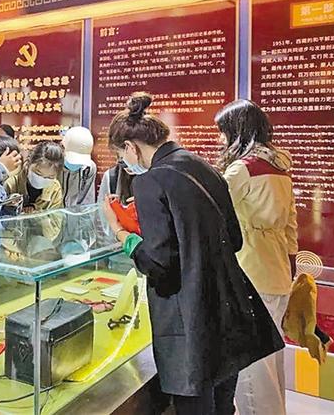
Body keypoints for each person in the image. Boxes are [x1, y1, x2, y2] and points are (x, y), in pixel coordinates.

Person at [102, 92, 283, 415]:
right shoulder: (205, 167)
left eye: (121, 156)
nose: (126, 165)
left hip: (188, 321)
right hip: (226, 314)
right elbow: (234, 239)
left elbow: (159, 264)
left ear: (130, 147)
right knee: (223, 406)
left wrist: (122, 233)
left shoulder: (150, 182)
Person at [215, 100, 298, 415]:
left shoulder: (242, 169)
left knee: (252, 368)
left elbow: (215, 210)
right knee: (272, 359)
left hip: (250, 270)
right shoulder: (281, 168)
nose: (220, 139)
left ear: (237, 130)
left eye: (223, 131)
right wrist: (289, 267)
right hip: (278, 272)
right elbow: (291, 227)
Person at [5, 141, 64, 212]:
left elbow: (57, 217)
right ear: (28, 163)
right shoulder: (11, 185)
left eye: (50, 177)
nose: (42, 179)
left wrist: (37, 212)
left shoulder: (55, 189)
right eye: (38, 173)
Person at [59, 126, 97, 206]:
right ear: (63, 147)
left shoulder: (89, 168)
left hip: (75, 213)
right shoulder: (52, 165)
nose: (76, 164)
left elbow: (87, 203)